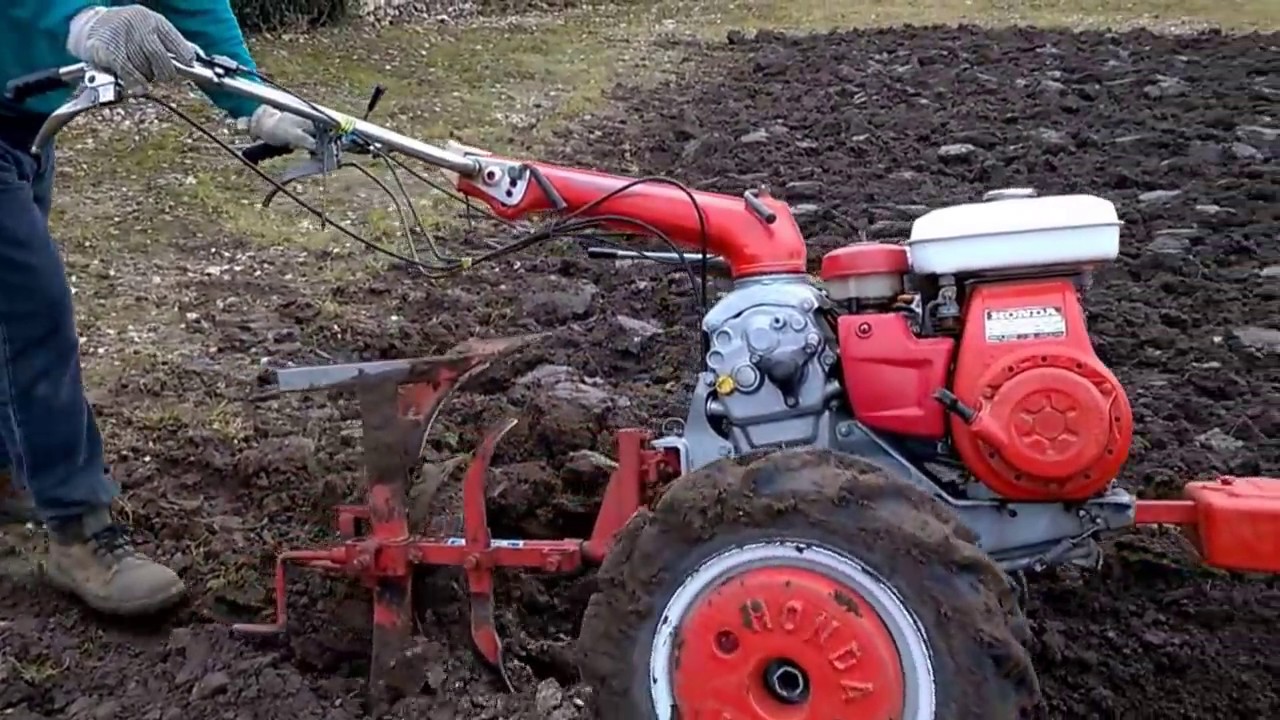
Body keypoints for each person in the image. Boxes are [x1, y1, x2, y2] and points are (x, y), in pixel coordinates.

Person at [0, 2, 316, 616]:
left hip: (23, 122)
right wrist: (78, 20)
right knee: (34, 312)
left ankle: (11, 469)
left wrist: (254, 101)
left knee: (9, 308)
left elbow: (192, 4)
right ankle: (79, 530)